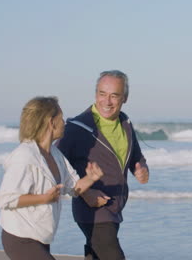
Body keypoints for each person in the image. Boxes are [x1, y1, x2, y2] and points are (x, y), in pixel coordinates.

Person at [0, 96, 104, 260]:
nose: (64, 123)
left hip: (40, 237)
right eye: (61, 118)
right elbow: (5, 199)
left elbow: (73, 187)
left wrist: (91, 178)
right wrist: (44, 198)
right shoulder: (24, 156)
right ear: (51, 122)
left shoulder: (55, 154)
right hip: (19, 237)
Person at [57, 70, 149, 260]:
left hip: (116, 206)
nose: (107, 102)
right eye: (102, 94)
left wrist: (141, 169)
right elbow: (56, 164)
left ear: (125, 98)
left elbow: (136, 157)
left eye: (114, 95)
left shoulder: (125, 123)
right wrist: (86, 192)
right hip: (91, 209)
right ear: (95, 94)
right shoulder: (78, 127)